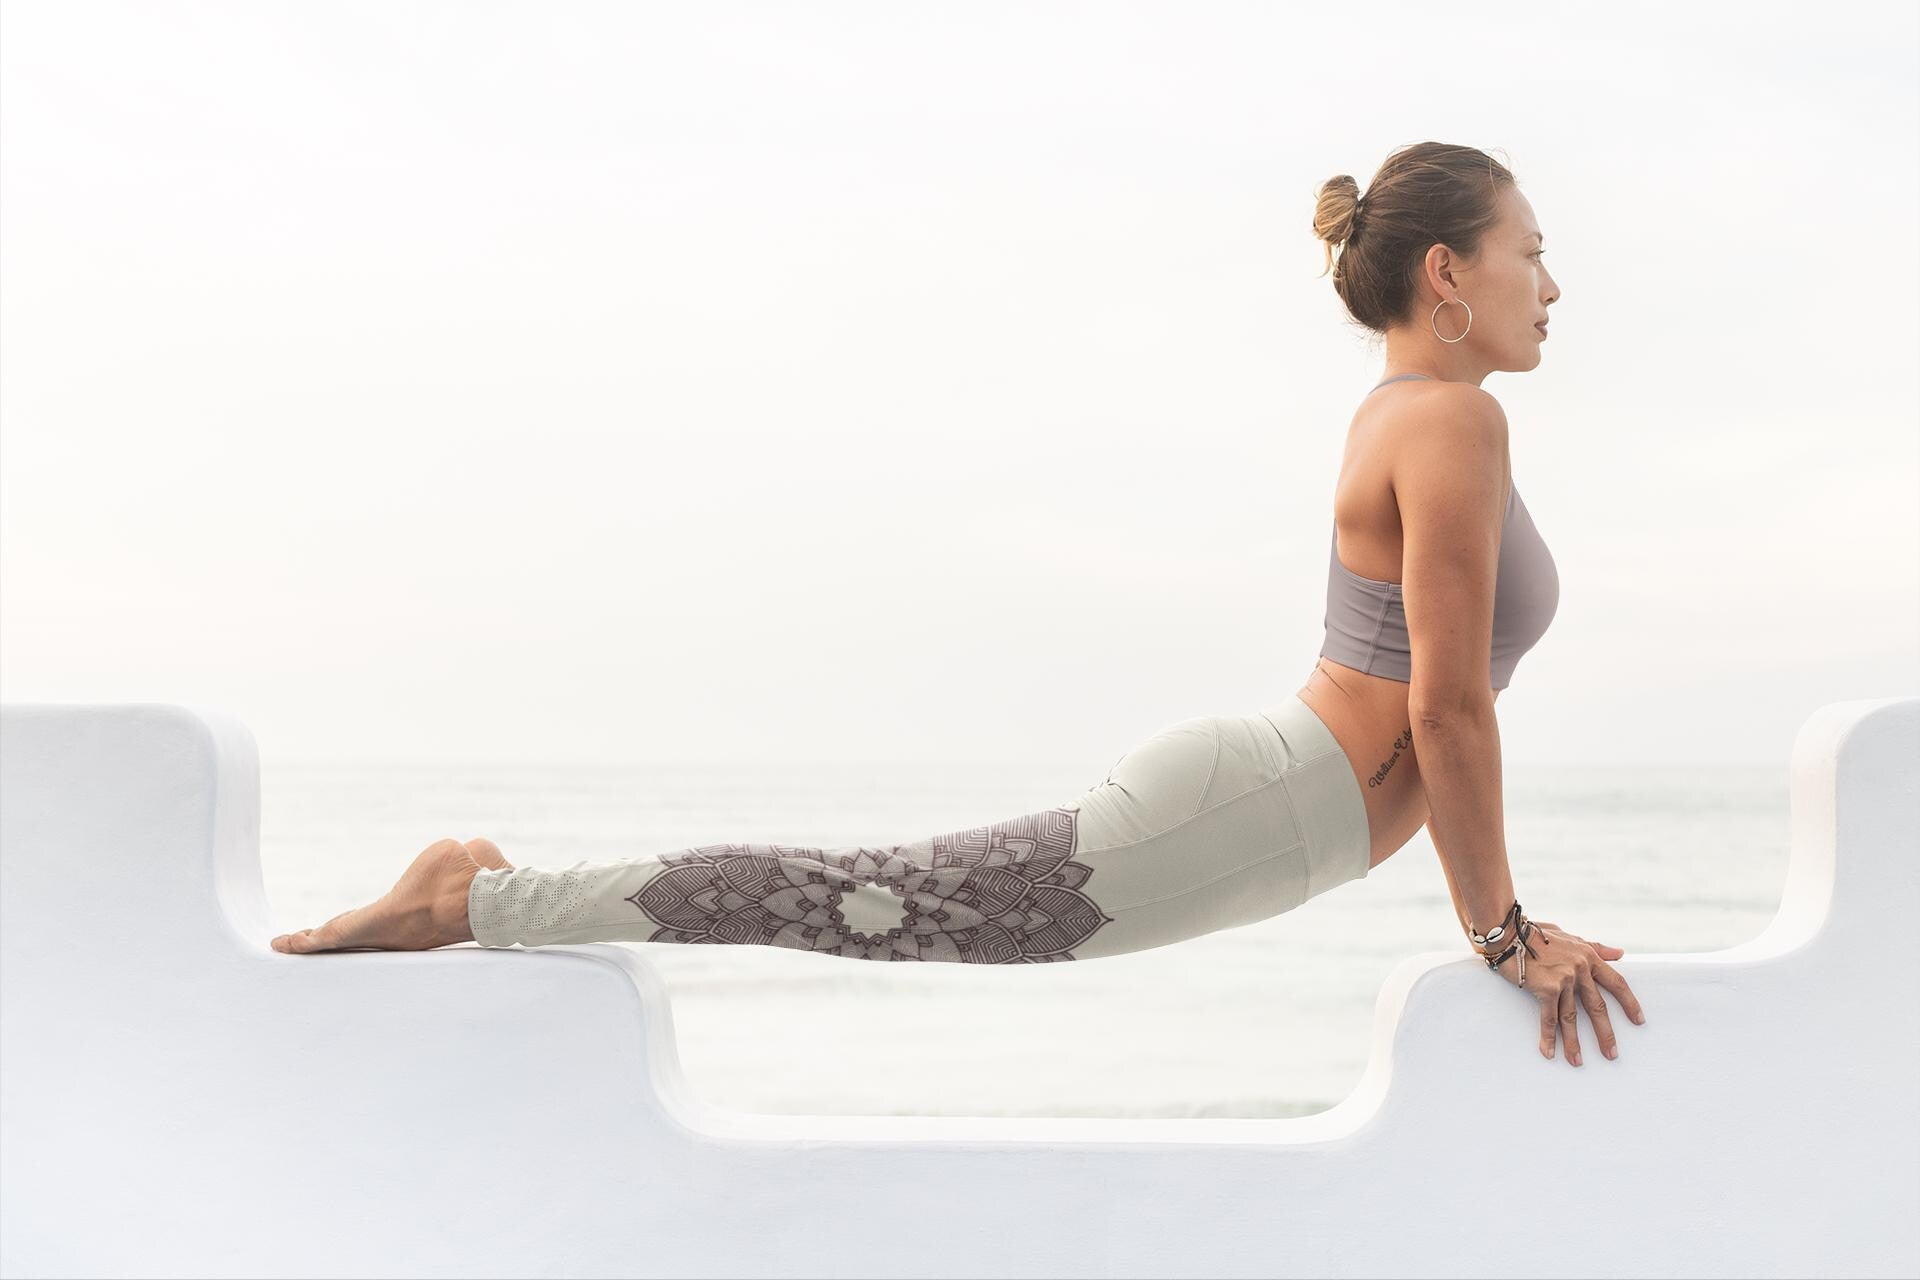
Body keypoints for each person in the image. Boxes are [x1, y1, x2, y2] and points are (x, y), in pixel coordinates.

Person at [271, 140, 1645, 1067]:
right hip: (1247, 808)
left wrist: (1498, 925)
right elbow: (1450, 710)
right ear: (1447, 272)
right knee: (850, 898)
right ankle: (474, 900)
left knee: (855, 900)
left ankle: (488, 893)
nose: (1555, 280)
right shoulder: (1447, 425)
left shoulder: (1421, 415)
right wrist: (1504, 937)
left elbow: (1446, 703)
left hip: (1262, 813)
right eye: (1532, 248)